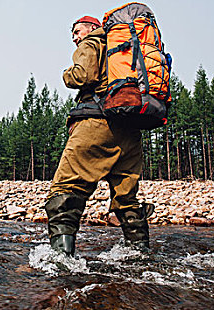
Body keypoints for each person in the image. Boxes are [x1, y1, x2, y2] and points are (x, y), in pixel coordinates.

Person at [44, 15, 155, 256]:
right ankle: (141, 258)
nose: (75, 37)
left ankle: (61, 264)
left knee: (64, 189)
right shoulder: (127, 49)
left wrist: (66, 74)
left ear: (93, 28)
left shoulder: (92, 42)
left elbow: (84, 76)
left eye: (77, 31)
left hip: (97, 124)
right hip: (130, 129)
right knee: (127, 198)